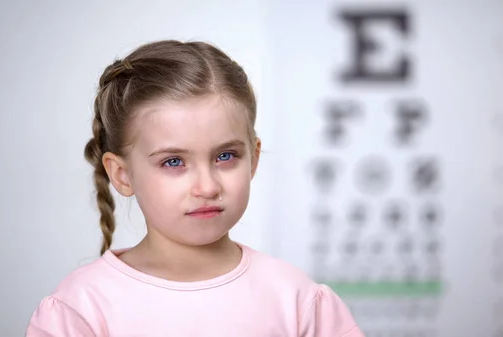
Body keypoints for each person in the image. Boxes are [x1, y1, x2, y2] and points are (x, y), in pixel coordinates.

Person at [25, 39, 364, 337]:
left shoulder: (297, 300)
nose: (207, 186)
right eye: (173, 162)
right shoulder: (81, 310)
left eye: (226, 156)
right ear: (122, 175)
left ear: (254, 159)